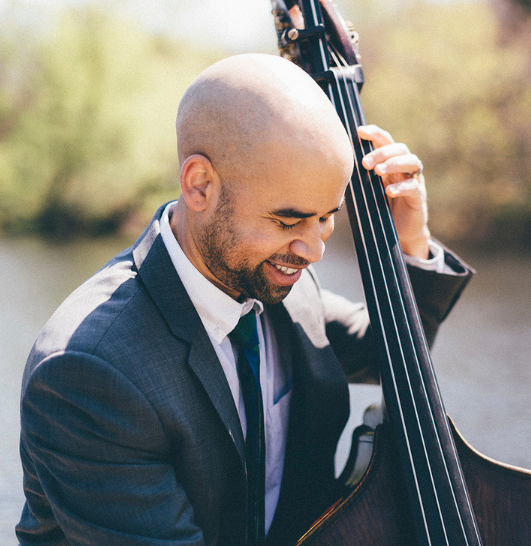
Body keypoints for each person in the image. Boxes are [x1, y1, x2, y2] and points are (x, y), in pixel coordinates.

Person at [16, 53, 472, 546]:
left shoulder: (275, 278)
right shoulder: (87, 372)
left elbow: (393, 357)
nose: (313, 250)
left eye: (325, 217)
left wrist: (411, 242)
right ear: (200, 185)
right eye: (288, 220)